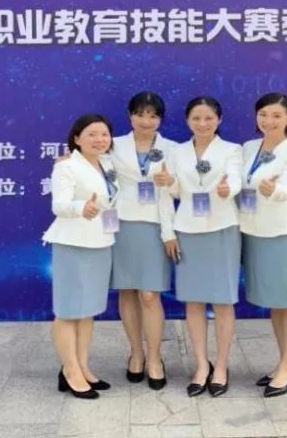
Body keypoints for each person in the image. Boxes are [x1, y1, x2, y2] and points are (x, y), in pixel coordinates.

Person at [161, 96, 243, 397]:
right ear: (187, 120)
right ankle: (201, 365)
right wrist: (168, 183)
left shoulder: (232, 150)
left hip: (222, 228)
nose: (203, 123)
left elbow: (235, 179)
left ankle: (221, 366)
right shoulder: (176, 152)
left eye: (209, 118)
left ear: (219, 120)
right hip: (187, 229)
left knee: (222, 301)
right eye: (196, 118)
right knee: (193, 301)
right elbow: (172, 192)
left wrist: (227, 189)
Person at [238, 93, 287, 398]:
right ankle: (286, 361)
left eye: (277, 116)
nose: (268, 121)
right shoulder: (248, 147)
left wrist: (274, 189)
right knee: (275, 302)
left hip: (285, 235)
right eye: (263, 114)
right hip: (254, 233)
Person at [42, 114, 118, 399]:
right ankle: (70, 371)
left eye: (104, 134)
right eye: (91, 134)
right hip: (73, 243)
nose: (99, 139)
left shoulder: (108, 164)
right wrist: (80, 208)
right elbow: (58, 205)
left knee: (87, 310)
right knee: (68, 310)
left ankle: (83, 366)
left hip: (102, 241)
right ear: (77, 138)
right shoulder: (67, 167)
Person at [109, 91, 178, 389]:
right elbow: (97, 176)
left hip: (154, 226)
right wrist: (67, 161)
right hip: (120, 225)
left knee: (150, 295)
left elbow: (178, 192)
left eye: (152, 115)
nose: (146, 121)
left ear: (160, 119)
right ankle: (136, 354)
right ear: (130, 115)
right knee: (126, 291)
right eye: (140, 114)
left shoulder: (172, 149)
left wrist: (171, 184)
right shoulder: (113, 145)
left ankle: (155, 358)